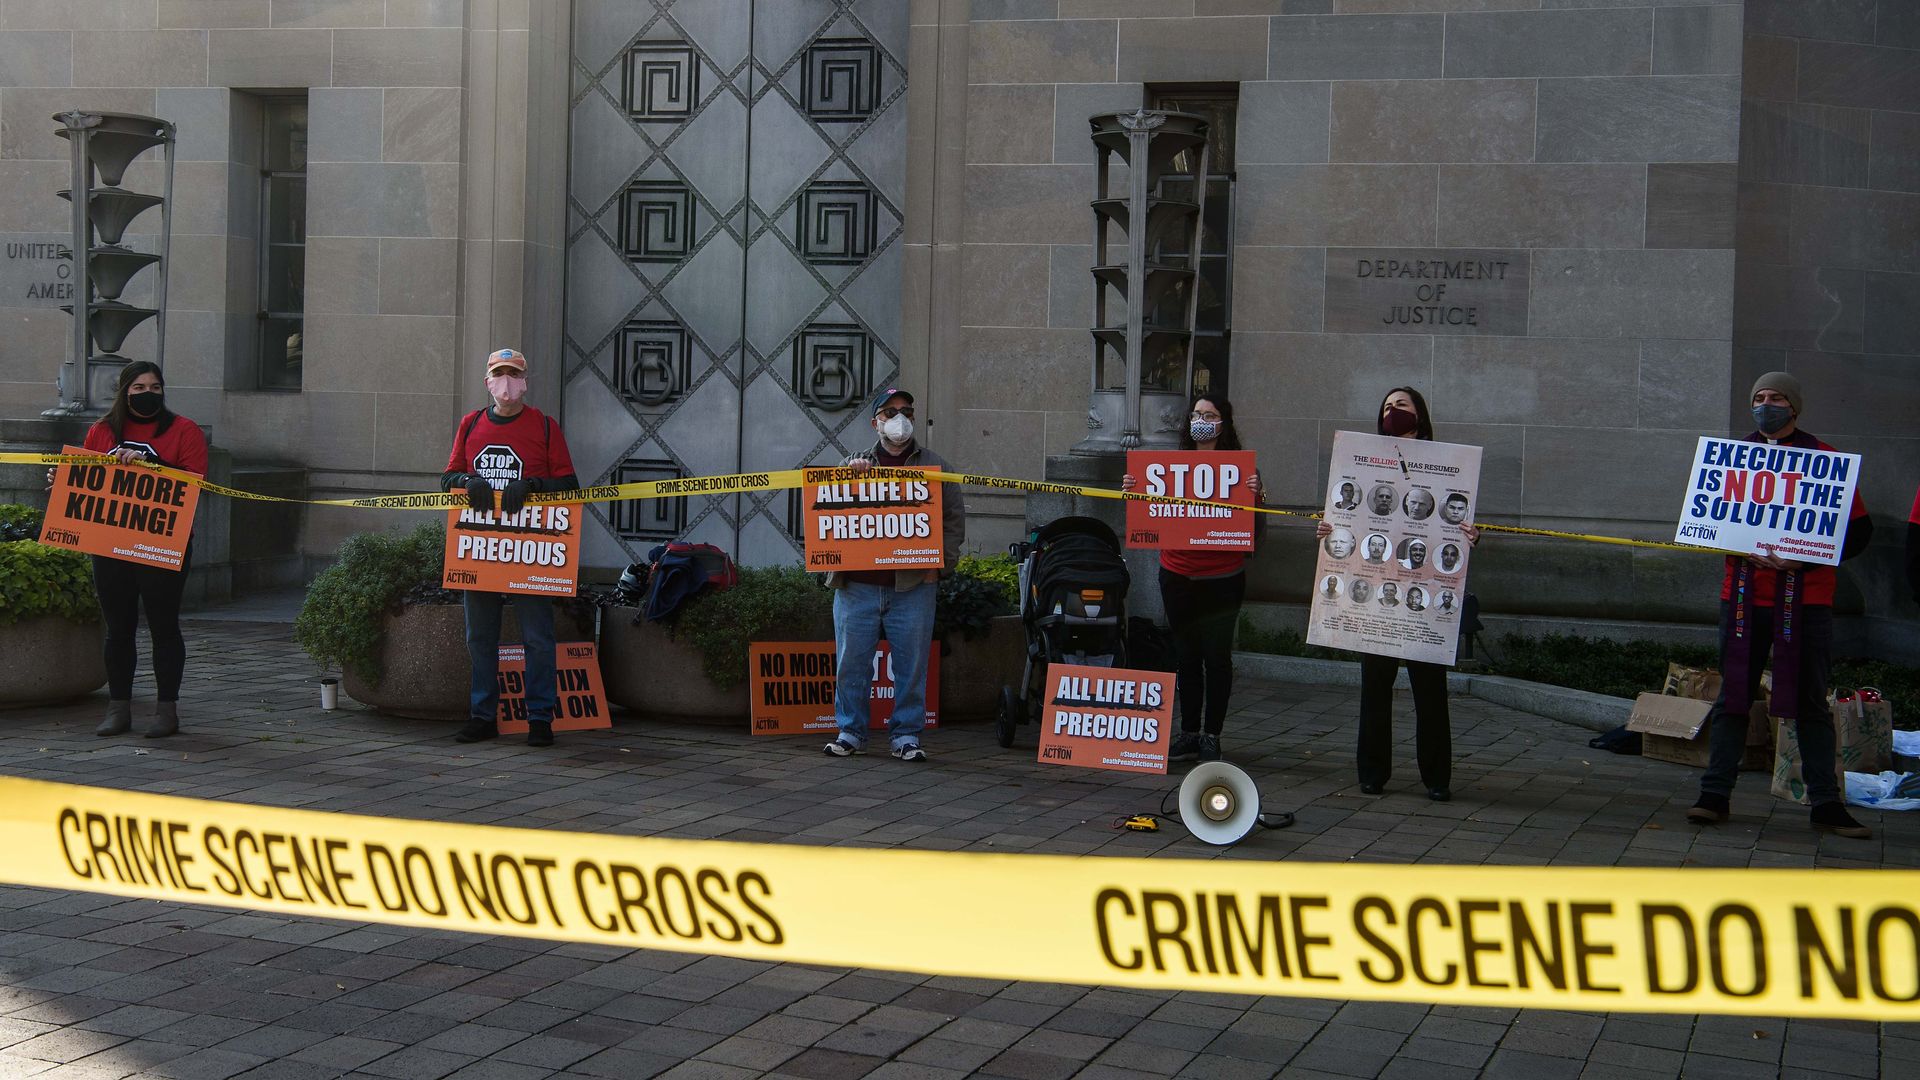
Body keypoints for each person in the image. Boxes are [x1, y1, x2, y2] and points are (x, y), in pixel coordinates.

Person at [1686, 373, 1873, 838]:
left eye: (1777, 397)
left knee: (1809, 702)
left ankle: (1825, 804)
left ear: (1795, 407)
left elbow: (1860, 531)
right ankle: (1715, 794)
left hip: (1806, 602)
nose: (1766, 404)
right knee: (1733, 697)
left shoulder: (1826, 460)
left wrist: (1805, 556)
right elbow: (1709, 522)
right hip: (1744, 599)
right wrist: (1732, 544)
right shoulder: (1732, 459)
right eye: (1759, 398)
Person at [1319, 387, 1480, 801]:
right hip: (1375, 596)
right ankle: (1372, 773)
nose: (1392, 412)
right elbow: (1350, 523)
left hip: (1423, 598)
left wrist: (1468, 536)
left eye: (1401, 406)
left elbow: (1453, 519)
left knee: (1430, 692)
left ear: (1420, 417)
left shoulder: (1447, 465)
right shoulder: (1362, 461)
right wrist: (1330, 530)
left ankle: (1437, 778)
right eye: (1387, 407)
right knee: (1375, 688)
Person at [441, 349, 580, 748]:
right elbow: (446, 476)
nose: (507, 382)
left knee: (538, 637)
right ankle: (483, 716)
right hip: (481, 548)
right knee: (479, 636)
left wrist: (534, 486)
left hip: (529, 551)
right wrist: (467, 481)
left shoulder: (544, 427)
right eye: (499, 374)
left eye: (513, 374)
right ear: (488, 382)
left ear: (524, 381)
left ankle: (540, 719)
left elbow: (570, 484)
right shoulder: (470, 425)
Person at [822, 387, 967, 763]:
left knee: (912, 666)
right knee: (851, 663)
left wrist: (940, 566)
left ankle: (906, 736)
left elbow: (953, 521)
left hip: (914, 587)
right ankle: (850, 731)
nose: (898, 418)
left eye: (905, 410)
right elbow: (826, 509)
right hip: (856, 587)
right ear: (876, 422)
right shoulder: (851, 464)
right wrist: (847, 477)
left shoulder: (937, 467)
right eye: (889, 412)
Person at [1122, 395, 1262, 763]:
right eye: (1197, 414)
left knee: (1216, 658)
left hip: (1222, 578)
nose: (1202, 420)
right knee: (1186, 655)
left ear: (1224, 423)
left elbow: (1254, 530)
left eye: (1210, 415)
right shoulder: (1168, 467)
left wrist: (1256, 496)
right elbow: (1151, 514)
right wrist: (1133, 491)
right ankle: (1188, 732)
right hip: (1177, 574)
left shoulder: (1240, 471)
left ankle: (1211, 734)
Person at [72, 361, 208, 739]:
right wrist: (64, 479)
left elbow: (194, 482)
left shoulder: (184, 431)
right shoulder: (101, 432)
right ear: (124, 392)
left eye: (156, 387)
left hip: (163, 545)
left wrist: (156, 466)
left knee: (164, 627)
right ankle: (118, 709)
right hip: (111, 544)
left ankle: (167, 711)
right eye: (139, 388)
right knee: (118, 629)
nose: (149, 394)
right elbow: (84, 477)